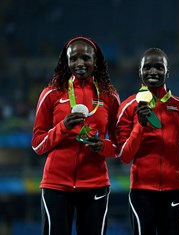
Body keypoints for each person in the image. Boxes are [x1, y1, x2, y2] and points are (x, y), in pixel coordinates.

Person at [116, 48, 179, 235]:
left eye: (159, 67)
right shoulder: (128, 107)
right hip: (142, 191)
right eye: (148, 67)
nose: (153, 71)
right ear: (140, 72)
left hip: (174, 190)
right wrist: (140, 126)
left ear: (167, 72)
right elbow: (125, 156)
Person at [31, 36, 120, 235]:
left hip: (95, 183)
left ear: (95, 61)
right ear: (67, 62)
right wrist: (63, 127)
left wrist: (103, 146)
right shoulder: (51, 93)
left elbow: (119, 145)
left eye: (86, 58)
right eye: (74, 58)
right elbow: (37, 145)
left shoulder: (109, 95)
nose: (80, 63)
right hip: (56, 184)